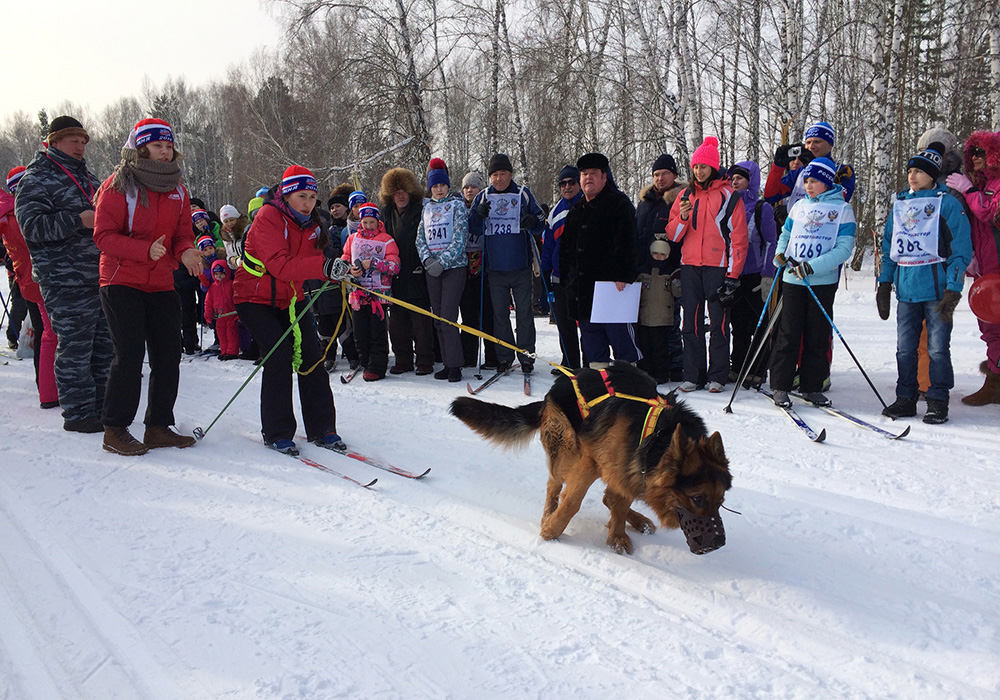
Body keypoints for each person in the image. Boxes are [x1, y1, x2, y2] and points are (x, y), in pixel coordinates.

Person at [92, 118, 203, 454]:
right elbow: (103, 236)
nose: (165, 153)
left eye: (169, 146)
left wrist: (186, 252)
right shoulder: (118, 186)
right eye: (158, 146)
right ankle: (115, 429)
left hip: (160, 281)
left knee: (169, 354)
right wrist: (144, 249)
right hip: (120, 280)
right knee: (129, 354)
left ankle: (158, 425)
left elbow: (183, 234)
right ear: (141, 149)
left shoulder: (179, 190)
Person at [234, 165, 349, 455]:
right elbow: (280, 265)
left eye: (312, 196)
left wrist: (338, 267)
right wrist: (322, 267)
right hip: (253, 298)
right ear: (286, 195)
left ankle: (323, 428)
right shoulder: (268, 217)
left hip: (291, 298)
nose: (308, 202)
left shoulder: (312, 223)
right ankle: (277, 431)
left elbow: (316, 258)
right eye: (302, 196)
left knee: (312, 353)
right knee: (279, 353)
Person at [14, 115, 113, 433]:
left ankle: (101, 407)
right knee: (75, 347)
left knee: (103, 346)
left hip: (98, 276)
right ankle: (78, 413)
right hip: (63, 280)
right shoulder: (37, 178)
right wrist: (77, 220)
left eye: (84, 141)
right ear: (54, 141)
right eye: (74, 140)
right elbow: (31, 226)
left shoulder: (91, 180)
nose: (80, 147)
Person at [876, 143, 972, 424]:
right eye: (910, 171)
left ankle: (937, 400)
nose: (912, 176)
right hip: (906, 290)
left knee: (938, 348)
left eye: (919, 171)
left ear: (932, 175)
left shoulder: (948, 205)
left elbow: (961, 250)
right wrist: (884, 284)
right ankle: (906, 397)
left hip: (937, 290)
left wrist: (953, 288)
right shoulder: (901, 204)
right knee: (904, 348)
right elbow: (889, 248)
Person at [768, 157, 856, 408]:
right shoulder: (798, 207)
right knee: (788, 333)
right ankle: (781, 385)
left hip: (821, 280)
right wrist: (780, 254)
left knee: (817, 334)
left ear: (827, 182)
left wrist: (812, 267)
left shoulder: (842, 210)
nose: (808, 185)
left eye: (814, 180)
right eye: (806, 180)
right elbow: (786, 234)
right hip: (793, 279)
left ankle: (812, 386)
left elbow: (843, 249)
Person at [666, 136, 749, 392]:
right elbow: (673, 235)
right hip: (690, 265)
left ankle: (717, 376)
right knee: (689, 323)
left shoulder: (729, 196)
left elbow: (739, 238)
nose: (698, 171)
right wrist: (682, 216)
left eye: (703, 166)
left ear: (713, 167)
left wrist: (733, 275)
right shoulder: (684, 195)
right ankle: (693, 374)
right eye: (695, 166)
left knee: (718, 324)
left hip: (717, 267)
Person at [559, 152, 640, 368]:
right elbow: (566, 251)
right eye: (584, 174)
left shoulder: (619, 205)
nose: (588, 178)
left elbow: (629, 244)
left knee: (623, 347)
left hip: (614, 291)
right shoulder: (576, 211)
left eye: (593, 174)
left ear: (604, 177)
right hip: (584, 295)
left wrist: (623, 274)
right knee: (594, 351)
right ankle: (600, 397)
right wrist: (568, 282)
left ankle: (629, 395)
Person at [467, 153, 546, 374]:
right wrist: (478, 216)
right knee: (499, 313)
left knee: (524, 313)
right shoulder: (482, 196)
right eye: (494, 175)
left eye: (503, 174)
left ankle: (527, 355)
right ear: (489, 177)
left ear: (510, 174)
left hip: (520, 266)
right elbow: (472, 228)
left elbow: (541, 221)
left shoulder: (523, 194)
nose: (499, 179)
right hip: (495, 268)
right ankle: (504, 356)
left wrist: (532, 222)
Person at [945, 130, 1000, 405]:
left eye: (982, 152)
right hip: (985, 266)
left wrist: (969, 191)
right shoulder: (982, 183)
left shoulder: (995, 184)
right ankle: (995, 379)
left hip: (998, 266)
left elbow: (989, 211)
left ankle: (994, 382)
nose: (976, 158)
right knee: (989, 325)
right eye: (973, 152)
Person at [1, 166, 58, 408]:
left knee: (45, 332)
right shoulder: (18, 213)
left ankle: (46, 388)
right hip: (39, 278)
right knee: (51, 334)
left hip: (28, 278)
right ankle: (48, 390)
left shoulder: (10, 212)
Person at [415, 158, 469, 382]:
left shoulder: (456, 205)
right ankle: (447, 362)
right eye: (434, 186)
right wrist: (427, 260)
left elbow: (460, 237)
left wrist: (443, 261)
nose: (438, 189)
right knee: (437, 318)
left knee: (447, 317)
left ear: (448, 185)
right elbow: (420, 238)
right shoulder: (426, 208)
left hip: (453, 268)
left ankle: (455, 364)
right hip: (431, 269)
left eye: (442, 185)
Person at [379, 167, 435, 375]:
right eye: (396, 192)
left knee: (421, 320)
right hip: (393, 275)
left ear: (411, 192)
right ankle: (402, 359)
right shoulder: (384, 215)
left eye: (404, 191)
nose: (400, 196)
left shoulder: (422, 211)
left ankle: (425, 359)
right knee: (397, 322)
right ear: (390, 195)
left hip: (417, 270)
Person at [635, 153, 686, 381]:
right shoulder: (644, 203)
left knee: (670, 321)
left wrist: (676, 266)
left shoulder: (681, 199)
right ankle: (646, 364)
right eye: (656, 174)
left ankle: (675, 365)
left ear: (674, 175)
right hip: (644, 270)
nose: (660, 178)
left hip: (670, 269)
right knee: (644, 320)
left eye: (665, 173)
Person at [728, 161, 777, 384]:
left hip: (756, 276)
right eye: (732, 178)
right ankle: (737, 367)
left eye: (740, 177)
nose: (734, 181)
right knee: (737, 325)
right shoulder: (727, 205)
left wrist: (768, 274)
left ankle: (757, 369)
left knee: (757, 323)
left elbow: (771, 242)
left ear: (751, 180)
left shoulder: (761, 208)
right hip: (733, 275)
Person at [342, 203, 401, 381]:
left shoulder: (386, 240)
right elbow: (344, 258)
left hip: (378, 296)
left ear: (377, 221)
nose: (368, 226)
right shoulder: (352, 239)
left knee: (377, 332)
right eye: (365, 222)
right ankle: (365, 361)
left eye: (371, 222)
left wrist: (374, 263)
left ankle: (377, 366)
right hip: (358, 295)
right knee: (359, 332)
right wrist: (350, 269)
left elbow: (395, 266)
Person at [541, 164, 584, 372]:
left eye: (571, 182)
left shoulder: (587, 205)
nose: (567, 187)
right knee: (564, 325)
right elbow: (548, 245)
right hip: (560, 277)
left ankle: (590, 365)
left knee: (586, 324)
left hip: (583, 277)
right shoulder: (556, 212)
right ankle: (569, 363)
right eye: (563, 184)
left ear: (579, 183)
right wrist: (545, 270)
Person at [764, 122, 856, 212]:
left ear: (829, 145)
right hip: (798, 225)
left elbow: (840, 200)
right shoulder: (799, 172)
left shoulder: (842, 170)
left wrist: (816, 168)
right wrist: (778, 166)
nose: (811, 146)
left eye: (817, 142)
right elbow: (771, 195)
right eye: (808, 142)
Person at [457, 170, 498, 369]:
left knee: (488, 315)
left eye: (473, 186)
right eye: (466, 187)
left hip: (485, 266)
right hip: (465, 268)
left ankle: (492, 356)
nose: (469, 190)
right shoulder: (458, 209)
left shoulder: (487, 203)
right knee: (468, 316)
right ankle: (468, 356)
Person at [204, 260, 239, 360]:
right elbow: (208, 303)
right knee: (221, 334)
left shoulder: (231, 285)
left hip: (231, 315)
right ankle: (224, 350)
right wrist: (208, 317)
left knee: (231, 334)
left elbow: (236, 299)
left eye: (221, 274)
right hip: (219, 316)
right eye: (216, 274)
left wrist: (238, 313)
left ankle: (232, 351)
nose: (219, 276)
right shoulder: (213, 287)